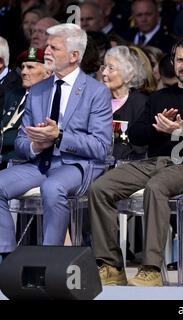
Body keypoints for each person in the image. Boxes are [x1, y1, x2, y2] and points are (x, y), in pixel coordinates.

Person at [88, 36, 183, 286]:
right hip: (153, 162)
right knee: (100, 188)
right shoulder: (160, 97)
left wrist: (179, 133)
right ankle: (110, 265)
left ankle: (151, 268)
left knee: (157, 187)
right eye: (180, 60)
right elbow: (136, 134)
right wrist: (159, 128)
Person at [0, 23, 112, 260]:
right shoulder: (38, 90)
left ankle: (49, 260)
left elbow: (102, 148)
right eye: (47, 46)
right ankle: (6, 258)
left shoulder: (96, 92)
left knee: (53, 188)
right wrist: (35, 145)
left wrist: (59, 137)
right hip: (40, 163)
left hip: (77, 165)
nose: (46, 51)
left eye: (54, 47)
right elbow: (21, 141)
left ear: (74, 56)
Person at [1, 47, 52, 168]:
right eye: (23, 67)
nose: (23, 72)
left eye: (30, 67)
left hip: (18, 160)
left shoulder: (49, 100)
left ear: (47, 73)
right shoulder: (12, 95)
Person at [101, 45, 151, 161]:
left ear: (128, 76)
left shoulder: (140, 104)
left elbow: (139, 148)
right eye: (103, 67)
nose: (104, 72)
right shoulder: (97, 100)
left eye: (110, 68)